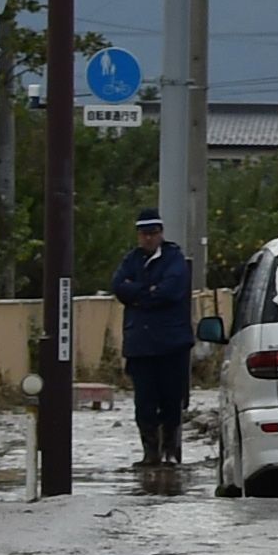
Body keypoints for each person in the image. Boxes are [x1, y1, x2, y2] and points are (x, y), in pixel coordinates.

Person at [110, 208, 197, 492]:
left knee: (171, 399)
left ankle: (171, 452)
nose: (149, 238)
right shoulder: (131, 260)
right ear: (139, 235)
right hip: (140, 345)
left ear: (160, 233)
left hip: (172, 345)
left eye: (153, 233)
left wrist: (139, 294)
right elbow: (118, 286)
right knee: (144, 401)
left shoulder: (174, 260)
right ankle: (150, 453)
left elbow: (171, 291)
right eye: (144, 234)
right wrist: (148, 291)